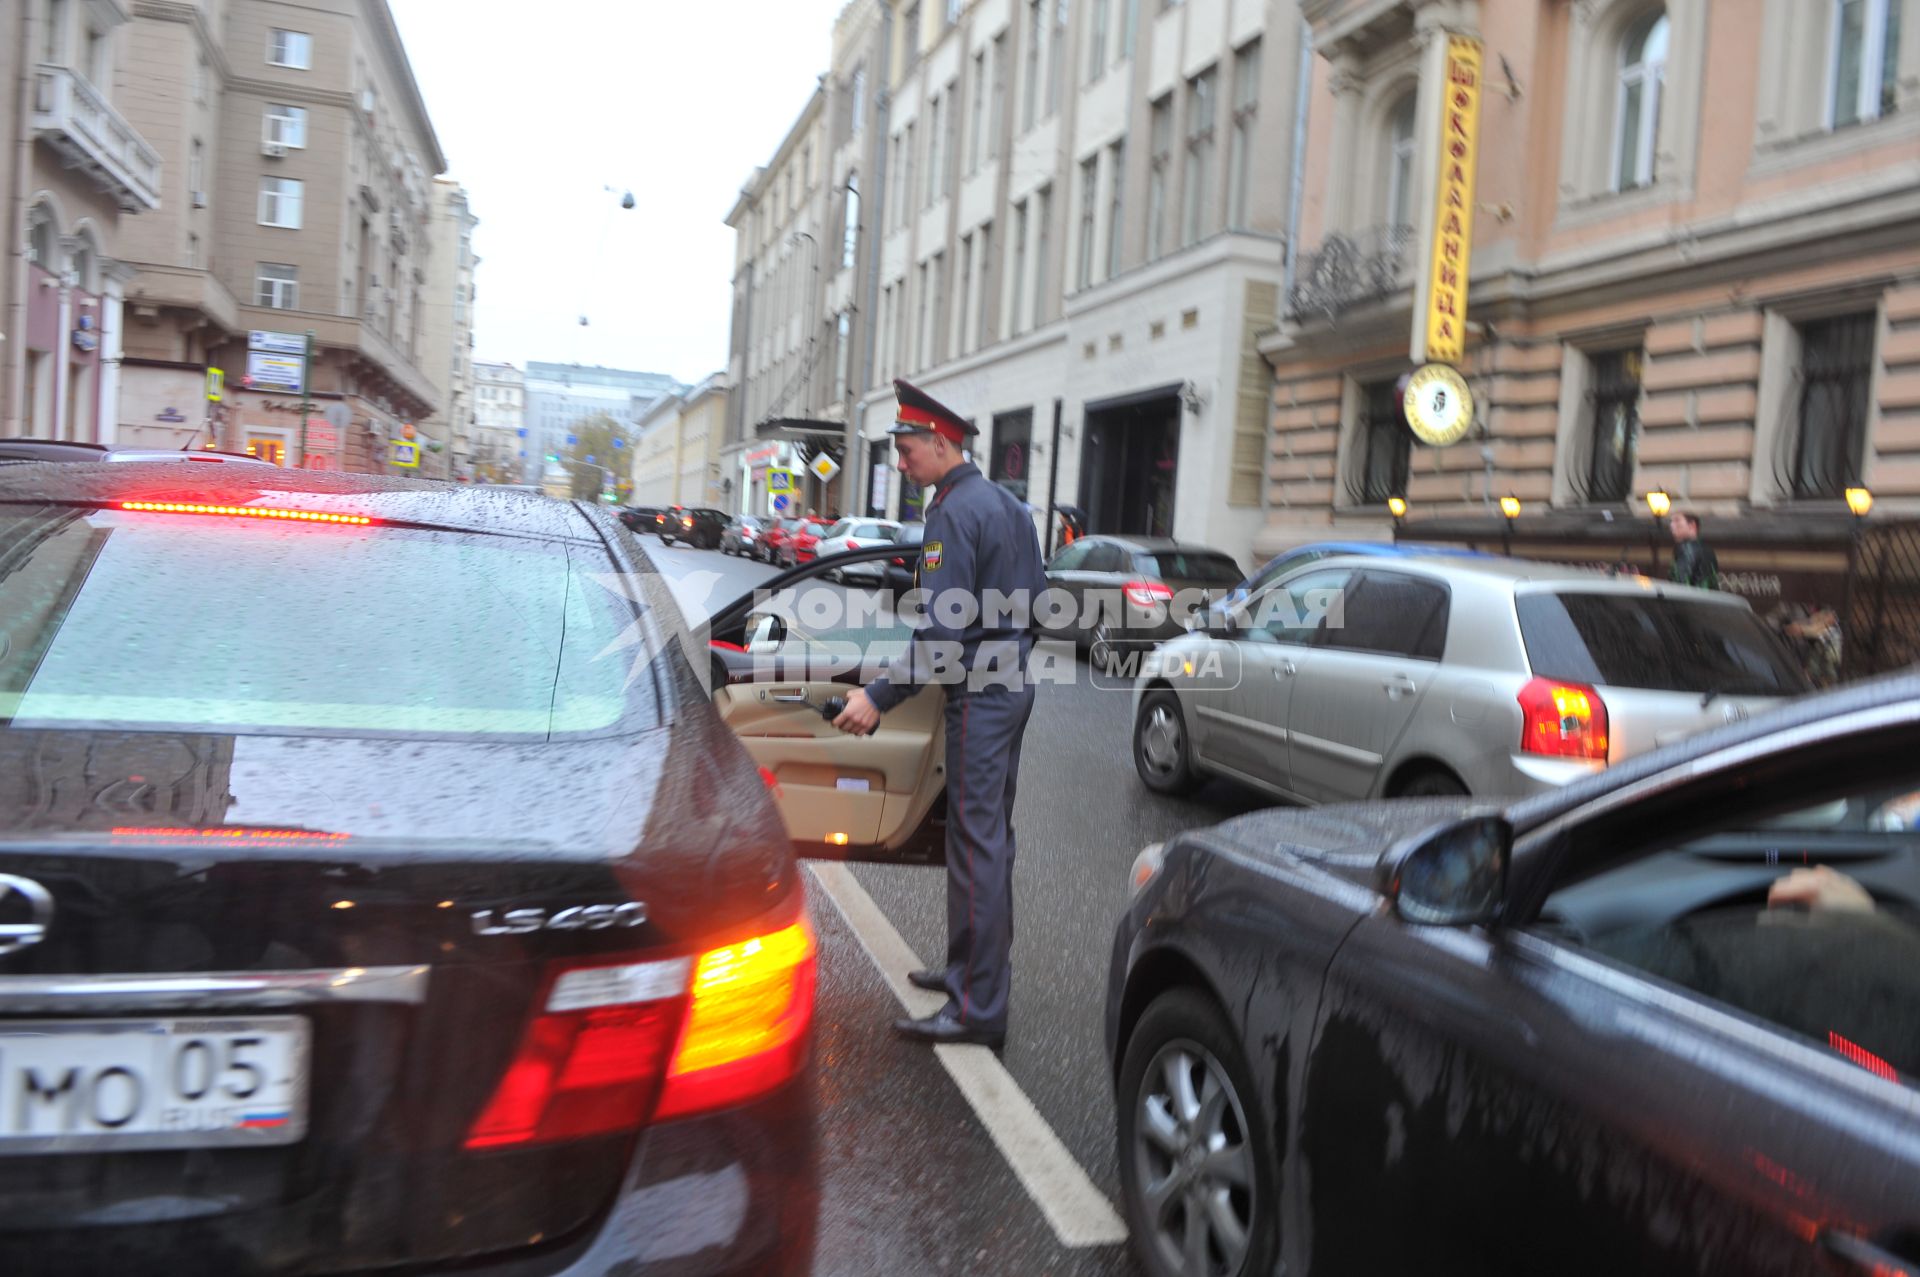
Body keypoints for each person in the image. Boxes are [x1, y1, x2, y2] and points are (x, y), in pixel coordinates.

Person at [833, 379, 1048, 1050]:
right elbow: (1038, 604)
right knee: (978, 840)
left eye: (906, 449)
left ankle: (979, 1007)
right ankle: (965, 973)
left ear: (942, 442)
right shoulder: (1007, 505)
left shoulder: (952, 512)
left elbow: (944, 634)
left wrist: (878, 696)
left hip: (979, 692)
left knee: (978, 847)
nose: (900, 462)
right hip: (1007, 684)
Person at [1668, 509, 1719, 590]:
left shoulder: (1687, 548)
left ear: (1692, 525)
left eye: (1677, 521)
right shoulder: (1708, 549)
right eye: (1671, 521)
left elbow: (1680, 584)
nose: (1671, 525)